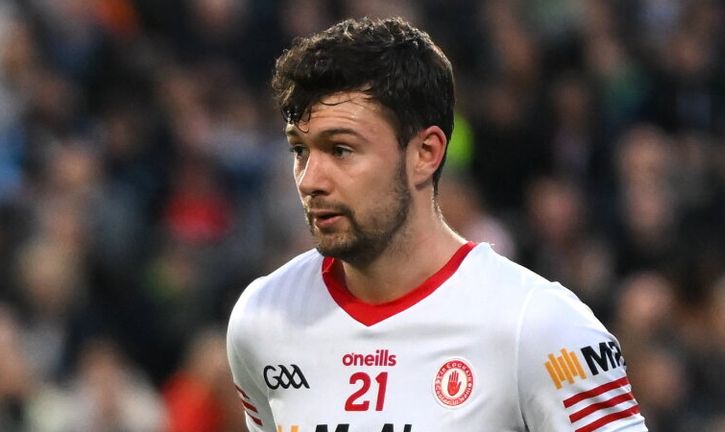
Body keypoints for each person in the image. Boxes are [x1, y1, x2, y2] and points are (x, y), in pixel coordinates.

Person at [226, 16, 647, 432]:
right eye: (300, 150)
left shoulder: (538, 326)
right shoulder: (262, 320)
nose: (309, 180)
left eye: (340, 149)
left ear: (425, 153)